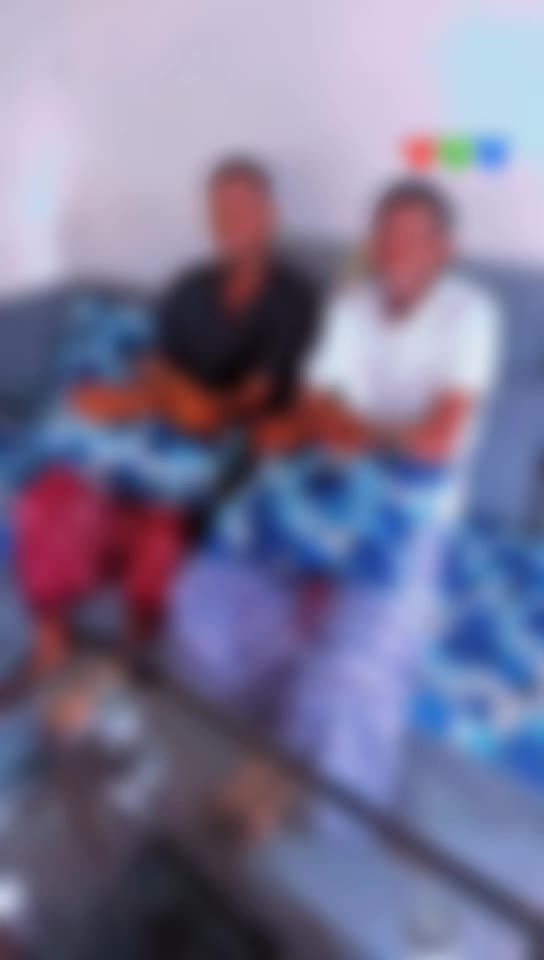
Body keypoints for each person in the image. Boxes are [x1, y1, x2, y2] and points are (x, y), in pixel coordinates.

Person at [167, 179, 501, 837]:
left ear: (446, 249)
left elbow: (437, 442)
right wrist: (361, 428)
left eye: (416, 236)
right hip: (326, 487)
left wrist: (352, 427)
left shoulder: (472, 314)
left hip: (413, 503)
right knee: (206, 596)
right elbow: (312, 408)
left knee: (360, 664)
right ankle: (256, 740)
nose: (398, 248)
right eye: (387, 234)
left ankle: (308, 793)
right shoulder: (352, 305)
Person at [15, 157, 317, 677]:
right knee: (52, 492)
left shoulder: (294, 298)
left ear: (271, 215)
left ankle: (130, 656)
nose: (232, 221)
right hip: (159, 432)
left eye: (244, 208)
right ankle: (50, 643)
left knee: (163, 533)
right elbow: (154, 366)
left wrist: (180, 401)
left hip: (221, 455)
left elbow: (246, 402)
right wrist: (165, 399)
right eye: (221, 210)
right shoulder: (189, 287)